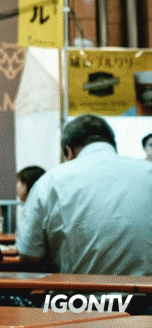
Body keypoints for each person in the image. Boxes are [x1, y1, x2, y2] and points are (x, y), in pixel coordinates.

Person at [16, 114, 152, 275]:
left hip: (75, 298)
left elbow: (28, 256)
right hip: (147, 298)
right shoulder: (148, 172)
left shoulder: (49, 181)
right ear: (113, 145)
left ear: (68, 151)